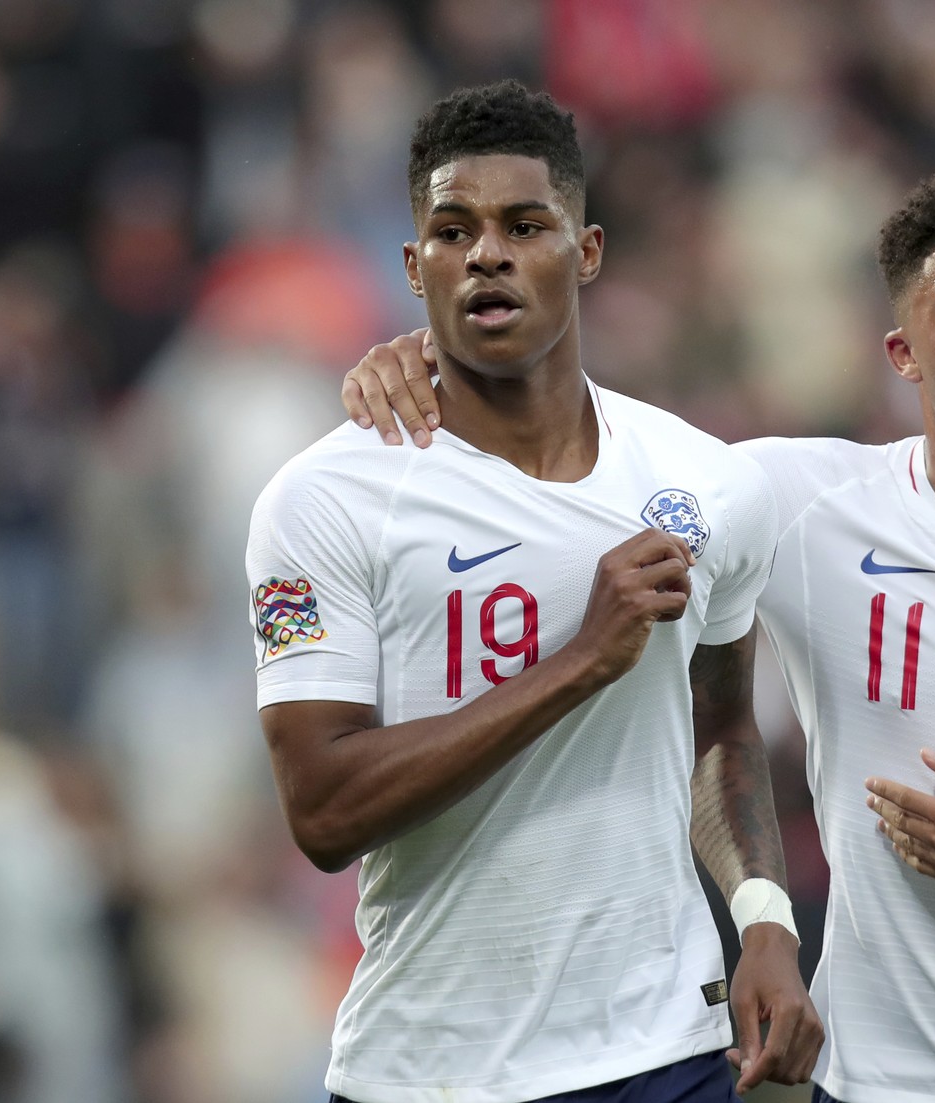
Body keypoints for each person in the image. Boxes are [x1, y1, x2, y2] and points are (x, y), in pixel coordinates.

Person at [342, 166, 935, 1102]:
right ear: (904, 351)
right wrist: (434, 355)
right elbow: (582, 448)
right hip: (877, 1081)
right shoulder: (797, 501)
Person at [246, 80, 820, 1103]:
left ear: (586, 251)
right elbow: (324, 810)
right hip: (427, 1067)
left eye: (524, 225)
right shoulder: (323, 500)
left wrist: (765, 918)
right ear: (414, 264)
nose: (487, 254)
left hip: (666, 1049)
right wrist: (576, 666)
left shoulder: (706, 483)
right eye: (452, 230)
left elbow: (720, 728)